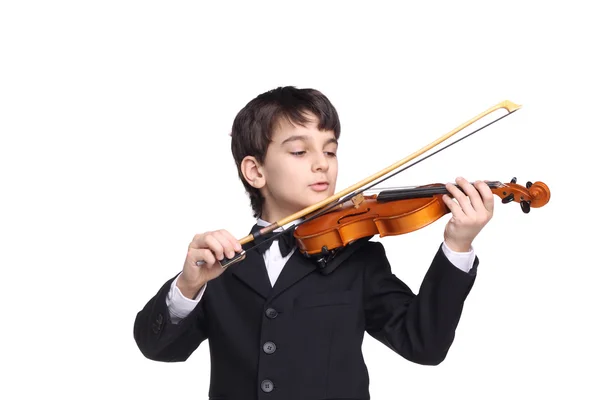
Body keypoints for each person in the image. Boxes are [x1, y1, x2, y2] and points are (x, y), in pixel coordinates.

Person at [133, 86, 494, 400]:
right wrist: (188, 286)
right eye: (299, 152)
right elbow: (159, 349)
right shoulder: (220, 263)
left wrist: (457, 246)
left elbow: (424, 345)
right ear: (255, 171)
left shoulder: (360, 258)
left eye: (330, 150)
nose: (322, 164)